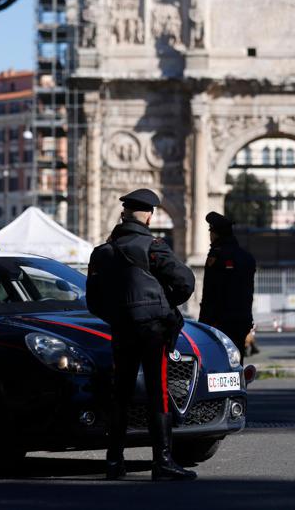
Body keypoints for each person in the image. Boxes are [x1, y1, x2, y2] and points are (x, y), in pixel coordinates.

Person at [86, 188, 196, 481]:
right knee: (158, 392)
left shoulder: (102, 252)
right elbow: (185, 281)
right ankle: (162, 462)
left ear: (124, 214)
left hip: (122, 330)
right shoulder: (152, 246)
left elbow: (93, 302)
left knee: (120, 394)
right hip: (153, 330)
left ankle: (114, 461)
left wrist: (120, 316)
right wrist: (165, 304)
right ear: (148, 215)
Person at [198, 211, 256, 362]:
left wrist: (203, 323)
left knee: (217, 363)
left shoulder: (216, 257)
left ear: (216, 234)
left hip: (219, 323)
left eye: (211, 232)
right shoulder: (247, 257)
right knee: (237, 362)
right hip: (242, 320)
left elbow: (210, 292)